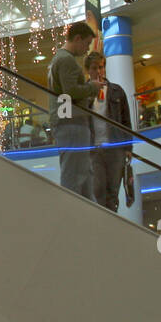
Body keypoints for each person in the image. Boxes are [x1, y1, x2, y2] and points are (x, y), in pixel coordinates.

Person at [47, 22, 103, 201]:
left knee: (84, 174)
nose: (87, 49)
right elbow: (70, 91)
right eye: (86, 44)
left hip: (69, 123)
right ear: (77, 39)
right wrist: (92, 87)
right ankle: (71, 217)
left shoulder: (59, 59)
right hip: (72, 123)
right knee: (75, 176)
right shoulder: (66, 60)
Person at [83, 50, 133, 213]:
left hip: (115, 147)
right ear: (88, 70)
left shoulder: (117, 91)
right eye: (95, 68)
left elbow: (126, 120)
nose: (99, 71)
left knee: (113, 192)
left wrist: (128, 148)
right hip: (94, 149)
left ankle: (112, 224)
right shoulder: (83, 93)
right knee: (98, 191)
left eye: (101, 67)